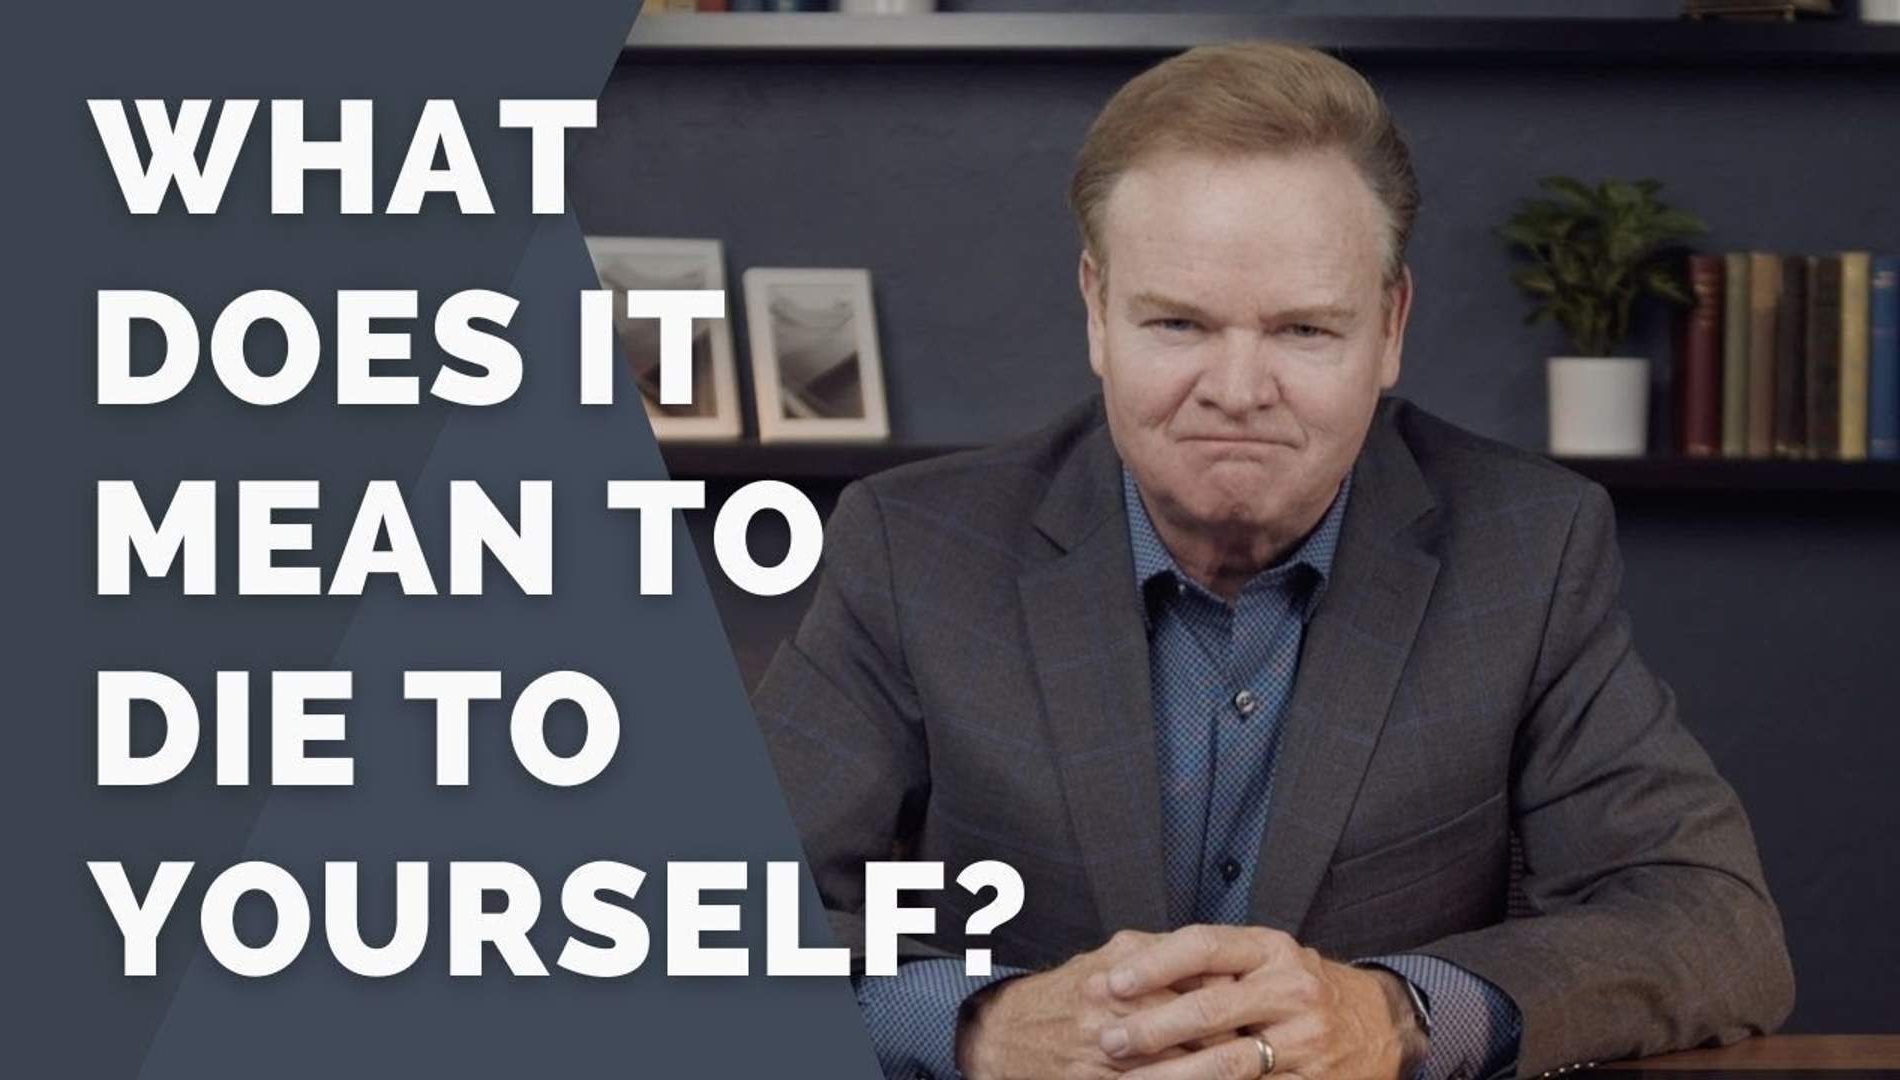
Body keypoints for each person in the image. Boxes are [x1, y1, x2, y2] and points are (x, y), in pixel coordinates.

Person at [751, 40, 1793, 1080]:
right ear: (1096, 312)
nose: (1238, 390)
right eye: (1178, 323)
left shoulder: (1528, 549)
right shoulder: (915, 550)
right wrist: (980, 1028)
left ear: (1389, 328)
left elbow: (1712, 922)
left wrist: (1397, 1015)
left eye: (1302, 329)